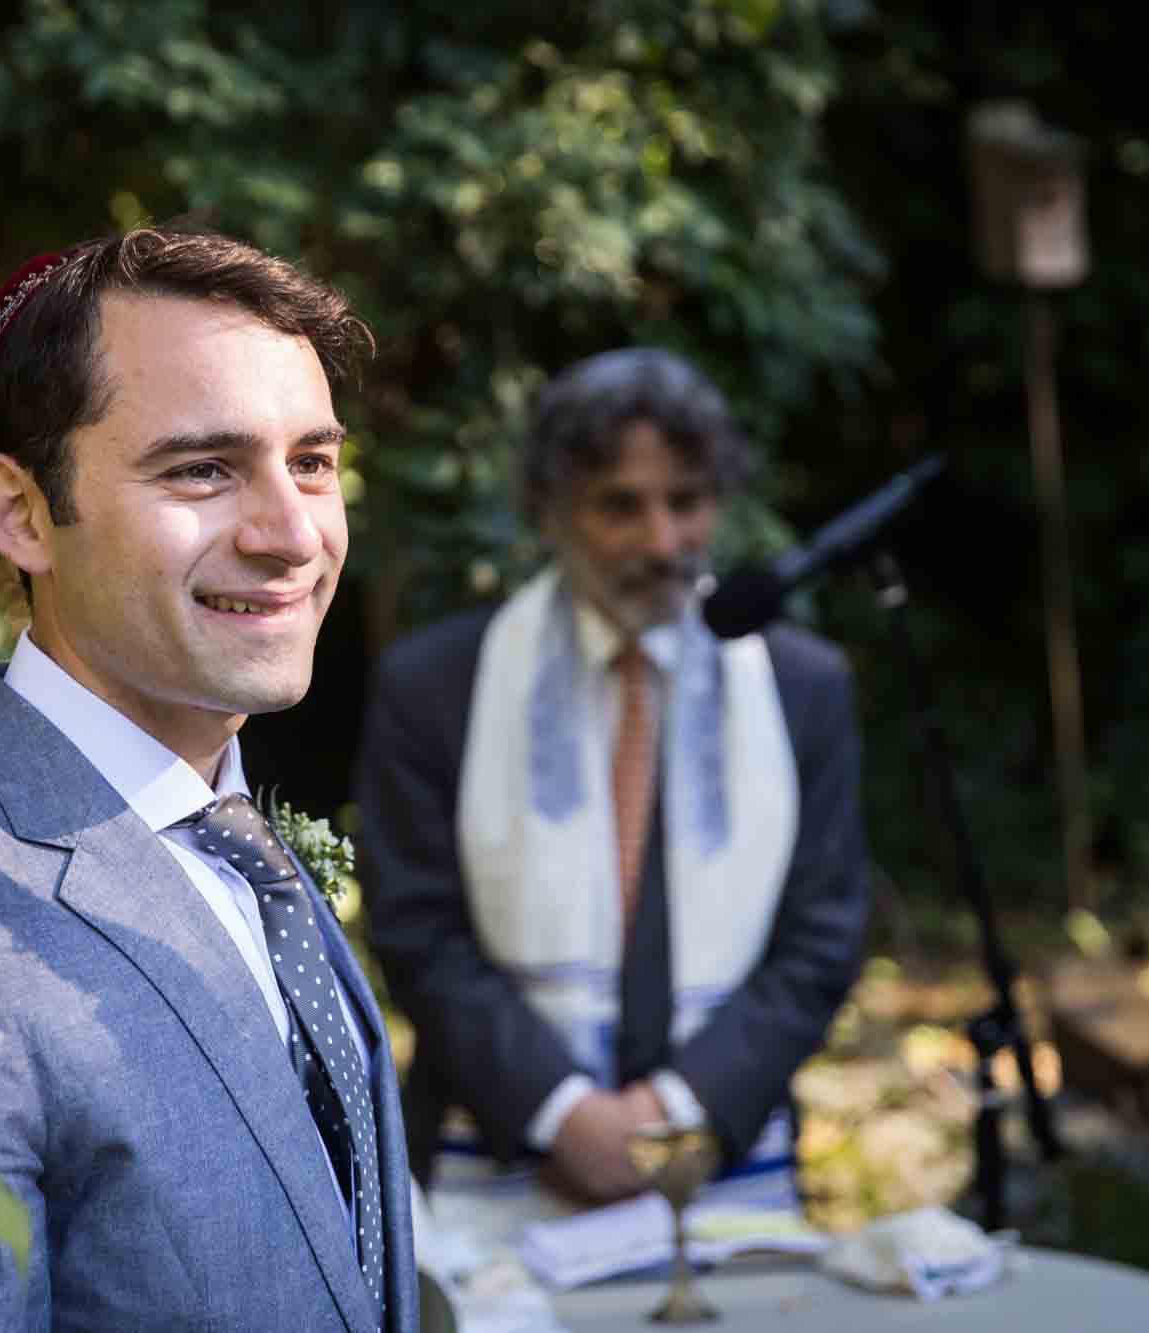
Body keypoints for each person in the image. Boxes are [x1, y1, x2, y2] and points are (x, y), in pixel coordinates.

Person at [0, 229, 417, 1332]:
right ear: (20, 513)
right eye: (202, 468)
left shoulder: (239, 838)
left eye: (311, 461)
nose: (292, 533)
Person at [354, 347, 870, 1206]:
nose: (662, 542)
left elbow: (823, 934)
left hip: (726, 1148)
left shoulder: (799, 685)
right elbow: (417, 930)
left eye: (686, 502)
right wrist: (561, 1114)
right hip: (501, 1149)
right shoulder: (438, 683)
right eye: (621, 506)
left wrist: (679, 1106)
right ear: (551, 511)